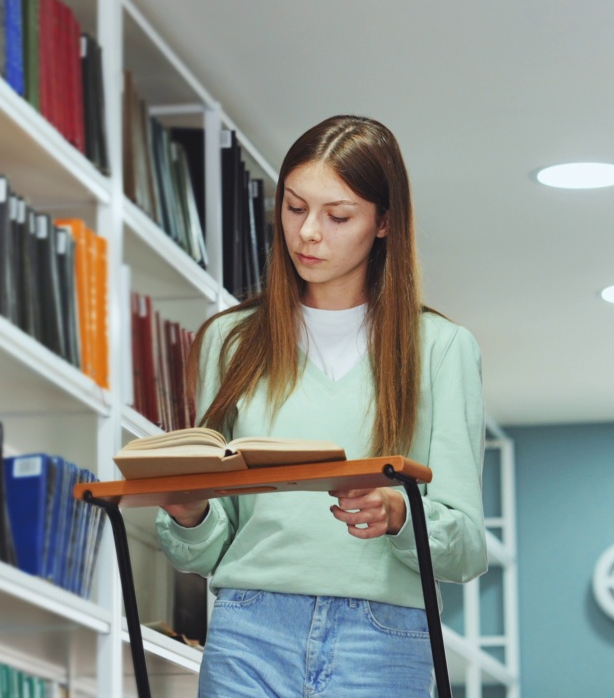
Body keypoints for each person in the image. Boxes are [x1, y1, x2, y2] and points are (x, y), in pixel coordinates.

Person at [156, 115, 487, 697]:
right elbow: (209, 548)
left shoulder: (440, 349)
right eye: (293, 208)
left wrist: (400, 513)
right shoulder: (228, 341)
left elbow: (465, 550)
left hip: (383, 640)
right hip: (248, 632)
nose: (309, 232)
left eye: (337, 217)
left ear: (384, 223)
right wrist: (189, 512)